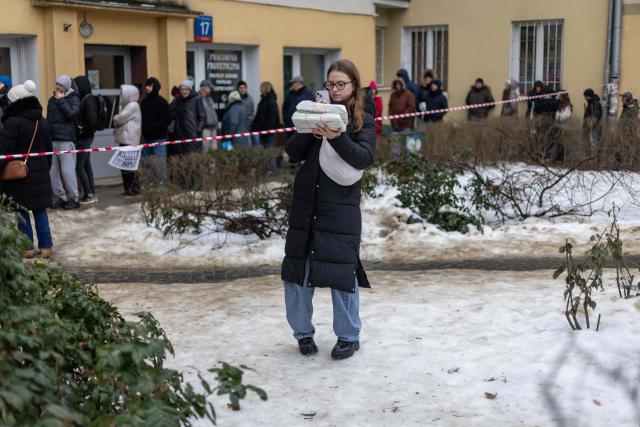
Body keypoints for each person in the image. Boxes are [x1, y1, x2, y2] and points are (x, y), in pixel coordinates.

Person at [282, 59, 376, 361]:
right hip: (307, 203)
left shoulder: (364, 120)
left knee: (342, 273)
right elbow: (293, 152)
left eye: (340, 84)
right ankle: (303, 333)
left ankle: (349, 336)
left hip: (340, 207)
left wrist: (337, 137)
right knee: (298, 273)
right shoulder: (315, 110)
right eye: (330, 84)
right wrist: (311, 126)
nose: (334, 90)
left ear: (353, 87)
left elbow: (363, 158)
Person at [0, 80, 54, 258]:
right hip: (40, 172)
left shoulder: (13, 123)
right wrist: (45, 168)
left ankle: (27, 248)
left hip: (19, 174)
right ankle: (46, 247)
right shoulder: (42, 121)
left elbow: (4, 150)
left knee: (21, 211)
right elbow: (48, 151)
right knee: (40, 210)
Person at [47, 74, 80, 209]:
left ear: (66, 87)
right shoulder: (51, 100)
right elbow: (49, 118)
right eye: (57, 84)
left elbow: (72, 114)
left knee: (67, 171)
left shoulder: (74, 99)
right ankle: (61, 197)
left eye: (61, 85)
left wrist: (61, 100)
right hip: (52, 139)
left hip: (66, 139)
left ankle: (74, 198)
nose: (58, 87)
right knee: (52, 172)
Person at [140, 77, 171, 185]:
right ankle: (150, 182)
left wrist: (156, 125)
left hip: (159, 137)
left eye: (150, 86)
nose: (147, 88)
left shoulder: (162, 102)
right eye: (146, 85)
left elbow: (167, 118)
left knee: (160, 161)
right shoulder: (144, 102)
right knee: (146, 161)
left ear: (155, 87)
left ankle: (162, 182)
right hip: (146, 137)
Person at [73, 76, 99, 205]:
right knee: (86, 165)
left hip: (85, 138)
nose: (75, 88)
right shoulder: (85, 98)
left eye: (77, 86)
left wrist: (81, 127)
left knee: (79, 166)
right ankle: (91, 192)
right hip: (85, 137)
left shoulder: (88, 100)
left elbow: (92, 121)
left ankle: (89, 194)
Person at [112, 84, 141, 196]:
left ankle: (134, 189)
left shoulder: (132, 105)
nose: (121, 95)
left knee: (129, 167)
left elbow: (119, 119)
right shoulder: (127, 105)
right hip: (125, 139)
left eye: (122, 93)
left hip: (130, 140)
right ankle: (128, 189)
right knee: (125, 166)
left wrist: (115, 117)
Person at [172, 80, 205, 155]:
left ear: (190, 89)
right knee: (181, 158)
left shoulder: (197, 98)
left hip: (192, 134)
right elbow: (173, 114)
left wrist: (198, 131)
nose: (184, 91)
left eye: (186, 89)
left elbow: (202, 117)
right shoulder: (178, 100)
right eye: (182, 89)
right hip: (180, 135)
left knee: (192, 158)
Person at [251, 81, 280, 148]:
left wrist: (267, 130)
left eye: (261, 87)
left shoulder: (270, 100)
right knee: (265, 150)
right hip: (263, 130)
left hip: (268, 131)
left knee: (269, 150)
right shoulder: (264, 100)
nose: (260, 89)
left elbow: (272, 117)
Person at [583, 88, 603, 166]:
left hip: (594, 128)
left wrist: (589, 123)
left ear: (589, 96)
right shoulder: (591, 103)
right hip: (591, 128)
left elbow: (595, 116)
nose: (585, 98)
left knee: (593, 145)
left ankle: (594, 163)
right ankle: (591, 162)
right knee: (591, 146)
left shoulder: (595, 104)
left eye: (585, 96)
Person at [198, 79, 219, 151]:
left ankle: (213, 162)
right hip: (205, 129)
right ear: (203, 88)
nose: (211, 89)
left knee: (214, 149)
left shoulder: (210, 98)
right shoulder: (198, 99)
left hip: (213, 128)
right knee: (205, 149)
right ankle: (205, 162)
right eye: (210, 88)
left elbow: (213, 112)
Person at [237, 80, 257, 146]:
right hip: (241, 126)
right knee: (247, 144)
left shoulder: (250, 98)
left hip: (251, 125)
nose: (242, 89)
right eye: (241, 88)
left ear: (246, 88)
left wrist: (251, 119)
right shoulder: (236, 99)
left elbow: (252, 111)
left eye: (244, 88)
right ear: (238, 89)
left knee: (256, 142)